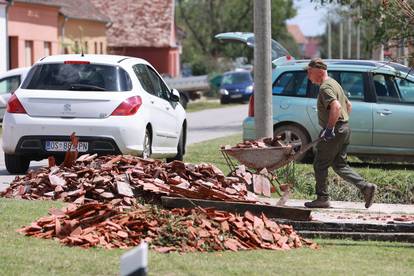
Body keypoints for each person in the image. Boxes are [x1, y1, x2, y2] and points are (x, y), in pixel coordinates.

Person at [304, 58, 376, 208]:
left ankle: (322, 198)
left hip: (335, 130)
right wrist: (341, 124)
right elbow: (348, 106)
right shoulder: (334, 83)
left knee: (320, 164)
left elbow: (336, 107)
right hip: (344, 128)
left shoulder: (325, 88)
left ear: (319, 71)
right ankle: (366, 187)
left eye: (309, 72)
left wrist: (330, 128)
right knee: (339, 164)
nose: (308, 76)